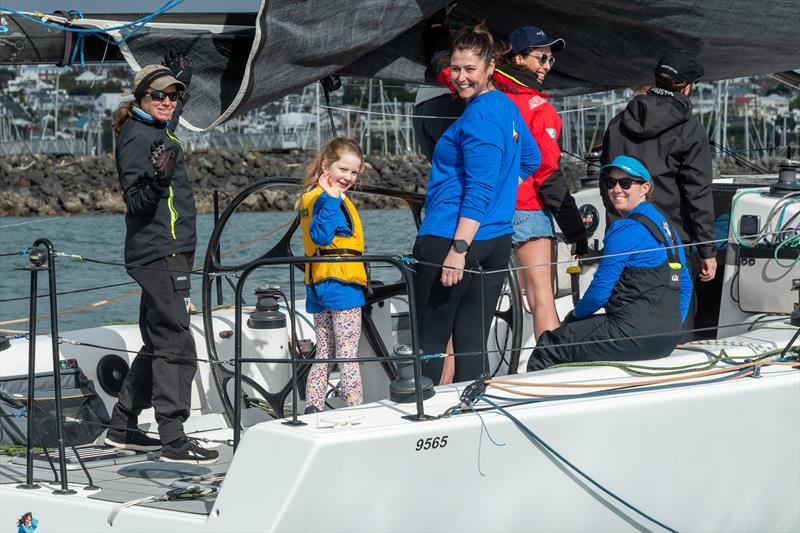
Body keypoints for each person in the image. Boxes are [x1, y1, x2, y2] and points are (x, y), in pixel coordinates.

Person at [105, 56, 218, 464]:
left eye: (174, 96)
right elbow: (136, 202)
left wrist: (183, 77)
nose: (169, 102)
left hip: (165, 253)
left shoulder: (154, 124)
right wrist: (158, 178)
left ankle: (122, 427)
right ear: (141, 97)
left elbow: (171, 110)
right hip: (160, 253)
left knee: (158, 341)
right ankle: (173, 438)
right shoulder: (138, 136)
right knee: (177, 343)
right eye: (160, 95)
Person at [414, 23, 541, 384]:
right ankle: (470, 413)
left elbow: (480, 188)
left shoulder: (480, 117)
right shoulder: (506, 106)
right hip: (495, 241)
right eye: (456, 68)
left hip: (452, 237)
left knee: (432, 340)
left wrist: (458, 248)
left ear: (489, 69)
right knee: (471, 341)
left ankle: (423, 416)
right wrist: (504, 192)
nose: (461, 77)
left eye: (470, 69)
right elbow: (530, 159)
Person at [528, 156, 692, 370]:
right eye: (610, 183)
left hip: (631, 332)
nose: (616, 189)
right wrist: (673, 324)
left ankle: (535, 402)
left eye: (625, 183)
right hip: (668, 337)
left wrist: (574, 316)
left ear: (644, 188)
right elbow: (685, 284)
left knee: (549, 346)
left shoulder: (623, 229)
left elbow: (600, 292)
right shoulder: (666, 228)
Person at [601, 51, 716, 337]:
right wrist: (707, 251)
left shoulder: (618, 123)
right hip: (670, 240)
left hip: (624, 238)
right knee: (675, 321)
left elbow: (607, 182)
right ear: (687, 88)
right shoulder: (690, 130)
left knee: (626, 317)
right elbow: (697, 194)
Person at [495, 26, 589, 339]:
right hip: (527, 208)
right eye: (541, 57)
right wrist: (576, 230)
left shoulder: (488, 99)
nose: (548, 65)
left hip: (488, 212)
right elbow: (547, 173)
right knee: (541, 299)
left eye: (550, 59)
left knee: (481, 303)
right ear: (518, 58)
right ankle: (550, 371)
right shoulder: (540, 110)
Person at [299, 137, 366, 414]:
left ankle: (313, 407)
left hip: (318, 285)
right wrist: (331, 199)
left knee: (324, 353)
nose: (348, 177)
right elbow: (320, 236)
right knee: (348, 355)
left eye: (354, 172)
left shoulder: (309, 196)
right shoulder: (326, 199)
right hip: (341, 286)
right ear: (327, 165)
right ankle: (354, 409)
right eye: (343, 169)